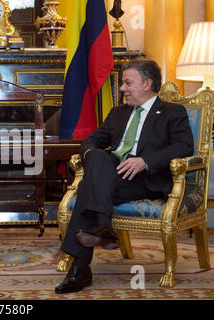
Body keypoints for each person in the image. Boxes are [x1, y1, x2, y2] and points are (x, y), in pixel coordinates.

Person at [55, 58, 194, 294]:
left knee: (89, 186)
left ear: (147, 83)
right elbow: (91, 141)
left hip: (145, 179)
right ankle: (101, 227)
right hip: (113, 174)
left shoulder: (172, 112)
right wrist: (90, 156)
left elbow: (184, 146)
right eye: (122, 83)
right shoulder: (118, 113)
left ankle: (80, 268)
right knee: (97, 157)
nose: (122, 89)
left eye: (127, 83)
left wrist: (144, 161)